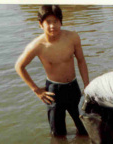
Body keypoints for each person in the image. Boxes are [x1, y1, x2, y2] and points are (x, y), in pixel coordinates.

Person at [15, 5, 89, 136]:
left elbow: (81, 60)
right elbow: (19, 66)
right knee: (58, 134)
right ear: (40, 24)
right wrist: (36, 90)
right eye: (48, 22)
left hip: (73, 87)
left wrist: (87, 85)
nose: (52, 26)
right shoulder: (37, 46)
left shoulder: (72, 37)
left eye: (55, 21)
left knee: (85, 129)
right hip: (54, 92)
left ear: (61, 22)